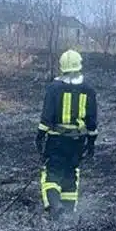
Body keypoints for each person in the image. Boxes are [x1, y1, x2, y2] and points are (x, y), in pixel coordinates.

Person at [36, 49, 100, 220]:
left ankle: (55, 207)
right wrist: (91, 142)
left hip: (56, 139)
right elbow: (92, 118)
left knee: (52, 173)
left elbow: (47, 116)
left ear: (62, 67)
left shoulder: (54, 88)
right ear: (79, 66)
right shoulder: (89, 89)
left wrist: (40, 137)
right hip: (77, 140)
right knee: (71, 174)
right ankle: (69, 214)